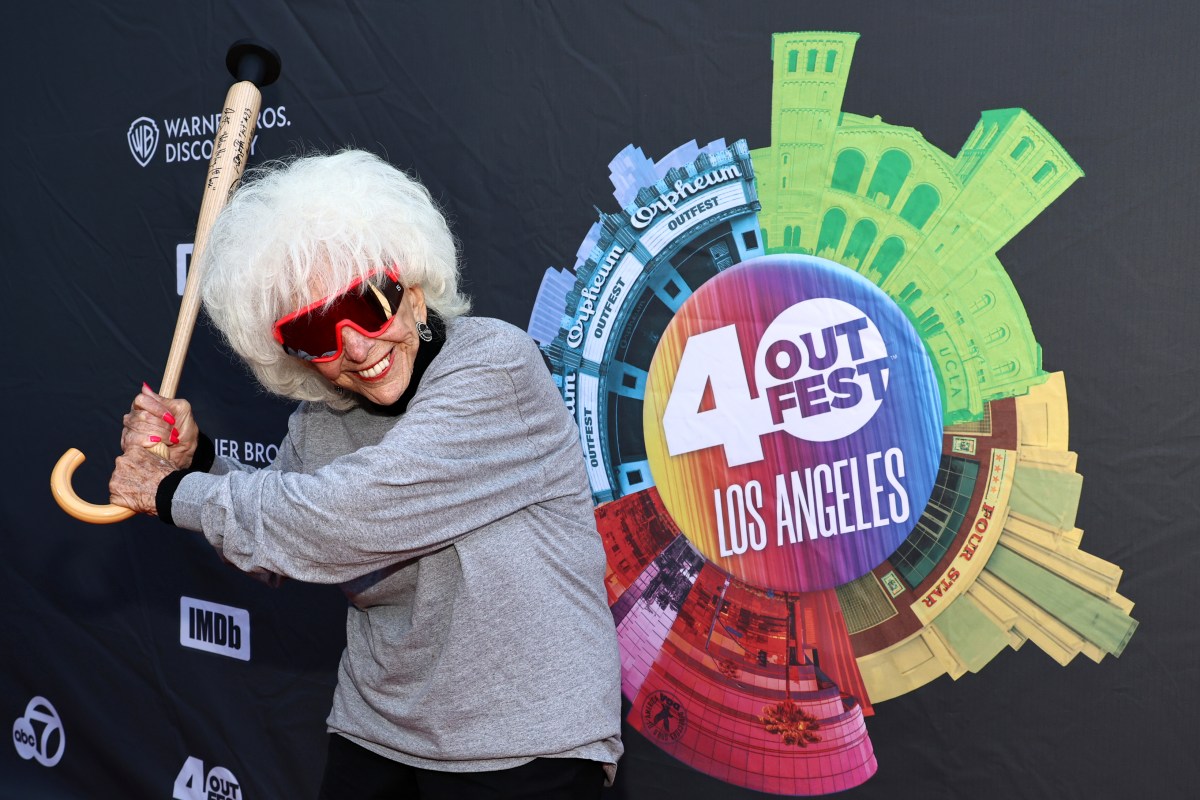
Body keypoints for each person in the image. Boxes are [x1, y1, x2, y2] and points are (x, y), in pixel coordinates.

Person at [108, 149, 623, 799]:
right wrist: (199, 460)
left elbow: (349, 513)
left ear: (411, 290)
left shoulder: (496, 367)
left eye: (368, 303)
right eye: (317, 328)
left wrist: (171, 492)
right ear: (289, 350)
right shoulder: (322, 418)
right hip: (376, 733)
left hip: (525, 748)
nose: (354, 346)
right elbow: (285, 541)